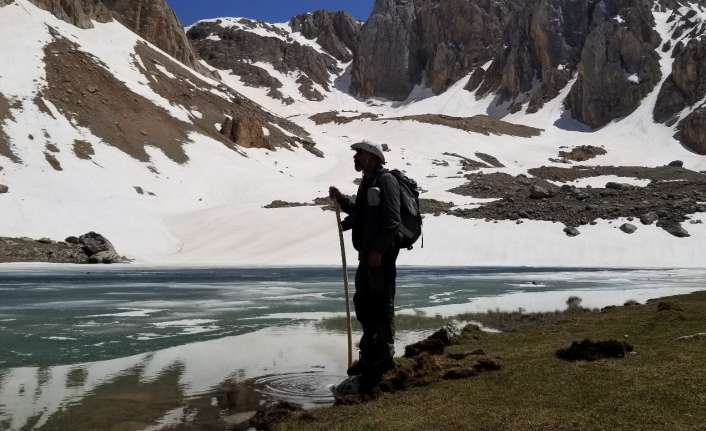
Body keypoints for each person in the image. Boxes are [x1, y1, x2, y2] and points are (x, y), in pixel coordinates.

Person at [329, 140, 401, 389]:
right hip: (366, 258)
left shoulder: (386, 181)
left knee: (382, 305)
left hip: (381, 259)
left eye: (359, 154)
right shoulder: (366, 184)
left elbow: (393, 220)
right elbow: (360, 213)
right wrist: (341, 200)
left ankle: (385, 361)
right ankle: (370, 356)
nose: (355, 158)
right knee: (364, 304)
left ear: (372, 157)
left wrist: (379, 251)